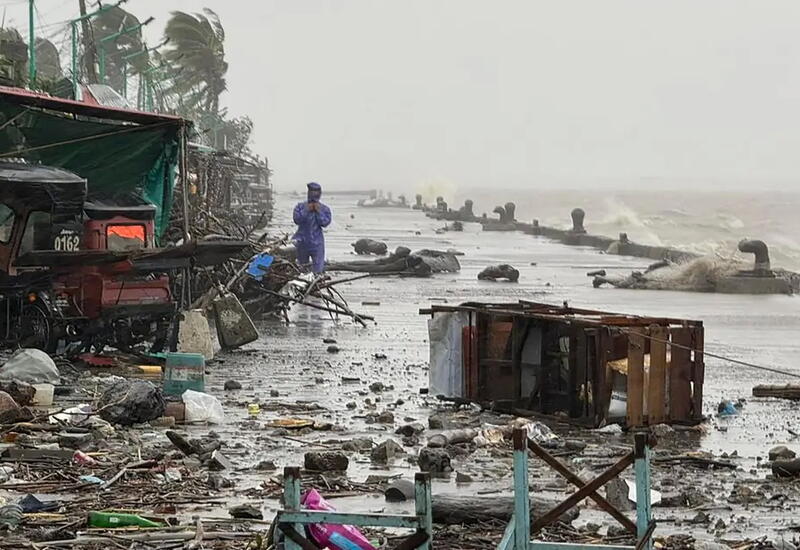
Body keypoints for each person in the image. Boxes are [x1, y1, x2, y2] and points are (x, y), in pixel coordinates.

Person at [293, 182, 332, 273]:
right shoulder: (300, 207)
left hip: (317, 243)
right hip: (302, 241)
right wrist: (307, 210)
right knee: (302, 269)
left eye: (316, 191)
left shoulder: (324, 209)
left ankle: (315, 283)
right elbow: (297, 220)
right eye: (311, 191)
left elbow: (325, 223)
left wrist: (318, 212)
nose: (313, 194)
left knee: (318, 269)